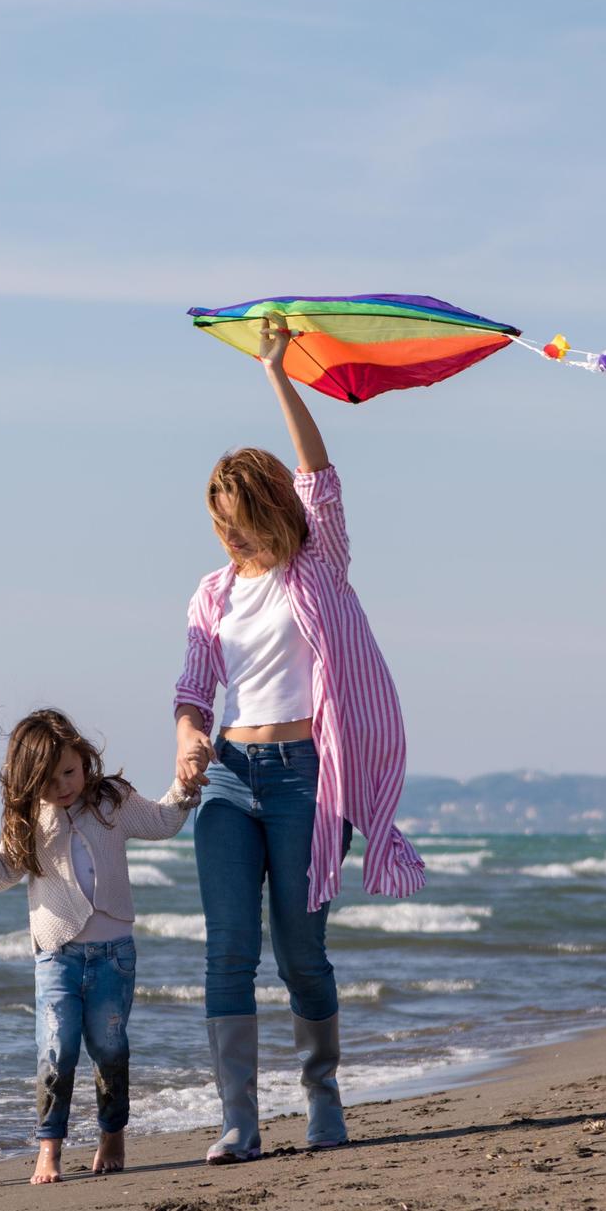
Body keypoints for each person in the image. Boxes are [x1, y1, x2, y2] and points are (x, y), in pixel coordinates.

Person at [171, 320, 425, 1162]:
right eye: (219, 523)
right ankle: (237, 1121)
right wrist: (187, 743)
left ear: (271, 510)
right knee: (228, 950)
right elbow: (192, 688)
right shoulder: (210, 594)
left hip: (307, 776)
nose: (230, 536)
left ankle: (321, 1097)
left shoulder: (318, 562)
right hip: (231, 778)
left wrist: (277, 375)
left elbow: (317, 471)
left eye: (241, 520)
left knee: (301, 952)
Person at [0, 710, 196, 1185]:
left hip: (115, 955)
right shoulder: (27, 820)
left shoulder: (112, 802)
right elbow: (1, 874)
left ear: (83, 760)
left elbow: (165, 821)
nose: (63, 785)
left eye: (70, 770)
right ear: (27, 781)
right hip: (56, 956)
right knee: (56, 1051)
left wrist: (185, 784)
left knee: (109, 1049)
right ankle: (49, 1149)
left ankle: (112, 1135)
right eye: (48, 779)